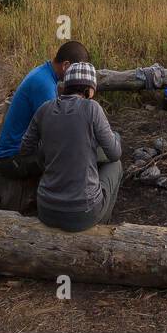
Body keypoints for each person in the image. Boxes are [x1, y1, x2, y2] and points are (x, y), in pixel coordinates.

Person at [18, 62, 124, 233]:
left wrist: (49, 151)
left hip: (46, 209)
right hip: (84, 213)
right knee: (115, 165)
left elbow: (25, 150)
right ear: (89, 90)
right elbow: (115, 153)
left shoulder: (44, 109)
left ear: (65, 87)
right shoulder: (92, 108)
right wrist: (116, 138)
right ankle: (102, 224)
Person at [0, 41, 89, 205]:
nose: (78, 78)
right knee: (72, 152)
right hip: (12, 158)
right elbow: (55, 134)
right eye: (76, 71)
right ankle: (63, 201)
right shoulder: (44, 85)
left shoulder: (44, 73)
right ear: (66, 65)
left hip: (17, 150)